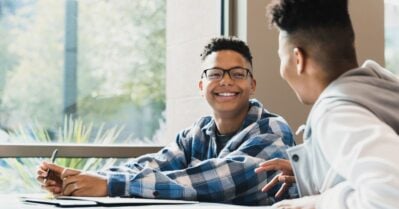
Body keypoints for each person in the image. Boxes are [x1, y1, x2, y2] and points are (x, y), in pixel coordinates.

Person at [37, 37, 296, 205]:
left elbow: (217, 182)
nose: (226, 81)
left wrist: (108, 184)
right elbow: (152, 164)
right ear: (201, 85)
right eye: (215, 73)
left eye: (237, 74)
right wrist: (83, 179)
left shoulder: (272, 130)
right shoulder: (195, 134)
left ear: (252, 85)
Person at [255, 0, 399, 208]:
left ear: (298, 59)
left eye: (281, 57)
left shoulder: (333, 111)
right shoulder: (380, 86)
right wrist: (312, 169)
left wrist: (317, 203)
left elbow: (392, 194)